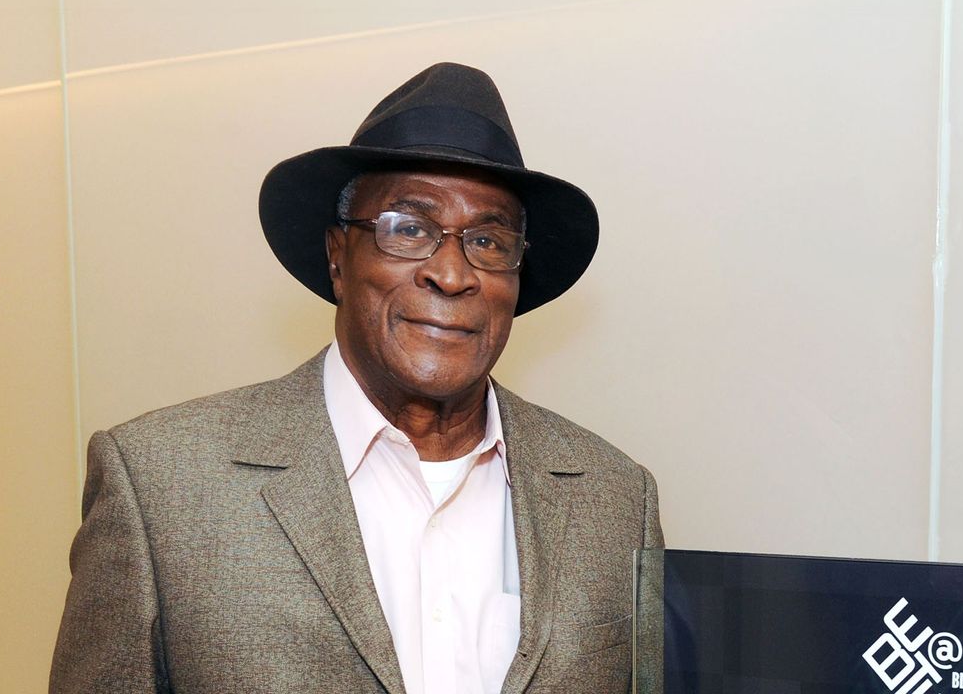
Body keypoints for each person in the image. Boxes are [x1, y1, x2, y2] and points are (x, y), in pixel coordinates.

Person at [50, 62, 663, 694]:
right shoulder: (160, 486)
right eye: (410, 229)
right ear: (338, 257)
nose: (452, 274)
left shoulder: (616, 501)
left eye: (487, 240)